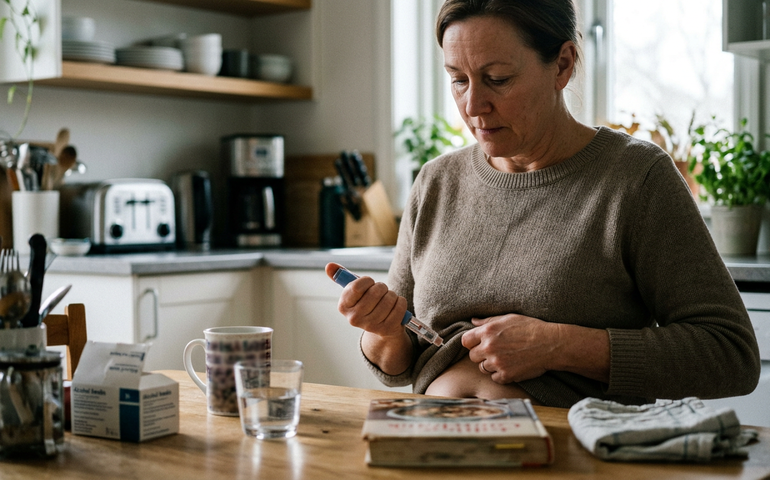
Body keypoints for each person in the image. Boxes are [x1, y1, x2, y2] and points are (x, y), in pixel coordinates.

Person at [326, 0, 760, 408]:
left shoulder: (636, 178)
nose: (474, 105)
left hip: (570, 458)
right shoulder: (436, 182)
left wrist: (560, 346)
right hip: (429, 445)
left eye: (498, 78)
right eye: (458, 79)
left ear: (563, 65)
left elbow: (731, 355)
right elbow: (399, 361)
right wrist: (380, 331)